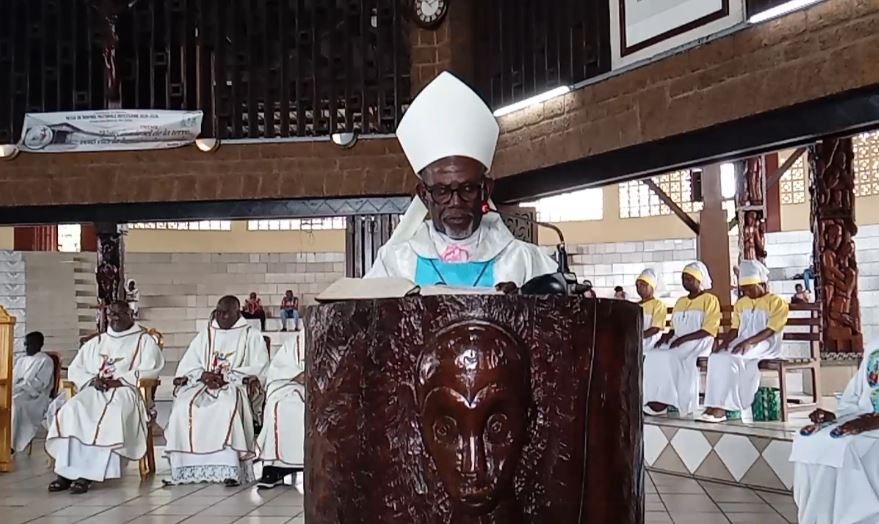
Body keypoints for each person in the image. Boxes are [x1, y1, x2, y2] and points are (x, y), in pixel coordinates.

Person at [364, 71, 556, 290]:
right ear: (424, 194)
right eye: (442, 191)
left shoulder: (522, 261)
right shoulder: (395, 263)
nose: (455, 202)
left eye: (467, 188)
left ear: (486, 189)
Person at [45, 302, 164, 494]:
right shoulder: (97, 342)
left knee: (110, 414)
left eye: (119, 313)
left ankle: (89, 474)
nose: (115, 317)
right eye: (111, 314)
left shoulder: (144, 341)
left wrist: (122, 381)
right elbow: (77, 369)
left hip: (126, 391)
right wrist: (92, 380)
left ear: (130, 314)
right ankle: (66, 472)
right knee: (72, 409)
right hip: (95, 390)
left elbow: (152, 369)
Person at [163, 295, 269, 486]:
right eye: (218, 312)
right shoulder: (207, 334)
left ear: (237, 312)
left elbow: (259, 367)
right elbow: (189, 364)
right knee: (183, 405)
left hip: (234, 385)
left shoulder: (251, 335)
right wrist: (203, 376)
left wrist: (227, 377)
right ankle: (185, 468)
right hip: (202, 384)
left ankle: (229, 468)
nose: (221, 316)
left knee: (227, 405)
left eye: (226, 312)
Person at [789, 347, 879, 524]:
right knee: (807, 438)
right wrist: (835, 417)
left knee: (848, 447)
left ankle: (860, 518)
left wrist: (870, 423)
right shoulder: (876, 345)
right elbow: (854, 397)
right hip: (866, 419)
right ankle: (817, 518)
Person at [700, 261, 788, 423]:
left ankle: (724, 407)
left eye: (750, 287)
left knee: (734, 358)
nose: (746, 291)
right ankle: (713, 403)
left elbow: (771, 329)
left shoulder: (777, 302)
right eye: (744, 289)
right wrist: (724, 343)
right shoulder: (741, 303)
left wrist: (749, 342)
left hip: (766, 343)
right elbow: (735, 328)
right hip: (743, 341)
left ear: (761, 283)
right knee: (716, 357)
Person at [643, 262, 720, 416]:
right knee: (653, 354)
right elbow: (674, 328)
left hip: (699, 341)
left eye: (690, 278)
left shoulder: (710, 299)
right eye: (684, 278)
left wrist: (683, 339)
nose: (686, 281)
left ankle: (683, 402)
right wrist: (667, 336)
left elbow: (709, 329)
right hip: (680, 340)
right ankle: (656, 400)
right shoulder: (680, 301)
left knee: (669, 356)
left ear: (699, 280)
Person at [256, 335, 305, 489]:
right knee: (279, 406)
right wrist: (296, 375)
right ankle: (275, 467)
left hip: (330, 389)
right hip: (296, 385)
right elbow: (278, 369)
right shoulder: (296, 341)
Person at [11, 332, 54, 453]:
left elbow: (40, 384)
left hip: (35, 397)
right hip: (18, 391)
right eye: (25, 344)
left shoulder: (45, 361)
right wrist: (16, 385)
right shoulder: (21, 360)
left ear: (39, 345)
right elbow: (14, 378)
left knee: (15, 403)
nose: (26, 348)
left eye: (29, 344)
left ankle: (12, 443)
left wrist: (22, 385)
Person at [636, 270, 666, 354]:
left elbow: (655, 329)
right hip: (636, 340)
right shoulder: (634, 305)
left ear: (652, 287)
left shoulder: (658, 305)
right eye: (637, 285)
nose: (639, 287)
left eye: (643, 284)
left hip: (649, 342)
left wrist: (637, 337)